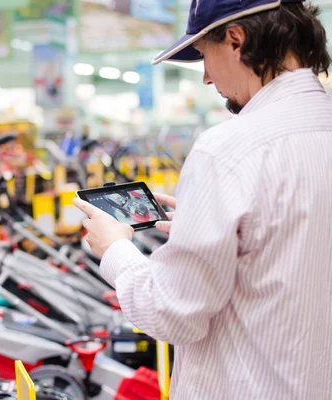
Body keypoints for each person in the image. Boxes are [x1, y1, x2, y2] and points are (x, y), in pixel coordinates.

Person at [73, 0, 332, 399]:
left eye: (203, 57)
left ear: (235, 40)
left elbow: (173, 313)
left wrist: (115, 250)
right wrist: (231, 236)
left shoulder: (227, 149)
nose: (207, 78)